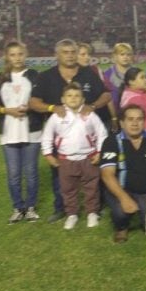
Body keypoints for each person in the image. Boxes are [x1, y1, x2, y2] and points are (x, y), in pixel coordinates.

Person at [30, 38, 111, 223]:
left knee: (92, 174)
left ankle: (95, 208)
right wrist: (52, 108)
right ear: (57, 55)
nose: (70, 55)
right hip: (61, 135)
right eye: (65, 52)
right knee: (59, 176)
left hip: (86, 134)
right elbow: (33, 102)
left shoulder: (88, 74)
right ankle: (63, 209)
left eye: (73, 52)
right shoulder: (46, 76)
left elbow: (106, 94)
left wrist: (93, 105)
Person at [0, 41, 44, 223]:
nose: (17, 58)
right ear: (7, 57)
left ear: (25, 55)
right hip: (8, 133)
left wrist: (30, 107)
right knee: (13, 173)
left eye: (20, 54)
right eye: (13, 55)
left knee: (31, 172)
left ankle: (31, 207)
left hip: (32, 131)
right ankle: (18, 207)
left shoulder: (34, 75)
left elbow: (40, 99)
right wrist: (7, 111)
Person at [100, 105, 146, 243]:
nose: (135, 123)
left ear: (144, 121)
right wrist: (124, 198)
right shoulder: (111, 142)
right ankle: (122, 227)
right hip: (121, 190)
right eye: (130, 119)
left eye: (139, 119)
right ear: (122, 122)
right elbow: (107, 175)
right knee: (121, 211)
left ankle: (143, 211)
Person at [41, 82, 108, 230]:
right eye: (69, 96)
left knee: (92, 187)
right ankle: (72, 214)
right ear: (63, 99)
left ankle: (92, 212)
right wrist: (48, 154)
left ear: (83, 99)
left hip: (88, 158)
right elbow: (47, 136)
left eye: (77, 96)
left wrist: (99, 152)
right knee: (68, 189)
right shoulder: (56, 117)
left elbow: (102, 134)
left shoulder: (90, 115)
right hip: (66, 160)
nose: (73, 98)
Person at [77, 42, 114, 129]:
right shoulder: (68, 74)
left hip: (102, 119)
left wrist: (114, 117)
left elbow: (107, 95)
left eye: (88, 54)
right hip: (80, 122)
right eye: (83, 54)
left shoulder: (95, 70)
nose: (87, 57)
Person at [102, 42, 134, 121]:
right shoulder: (107, 74)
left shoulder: (136, 73)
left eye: (128, 54)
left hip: (133, 113)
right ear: (115, 56)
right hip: (113, 114)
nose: (125, 57)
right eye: (122, 54)